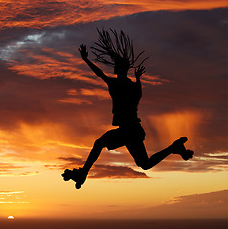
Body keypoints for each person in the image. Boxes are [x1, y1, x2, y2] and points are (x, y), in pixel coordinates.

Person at [62, 29, 193, 189]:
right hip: (133, 130)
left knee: (99, 143)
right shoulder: (131, 86)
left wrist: (86, 60)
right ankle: (175, 147)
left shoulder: (116, 84)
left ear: (119, 69)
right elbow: (137, 96)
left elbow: (99, 74)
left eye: (116, 66)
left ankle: (83, 174)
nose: (114, 68)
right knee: (144, 164)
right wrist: (138, 80)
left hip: (128, 130)